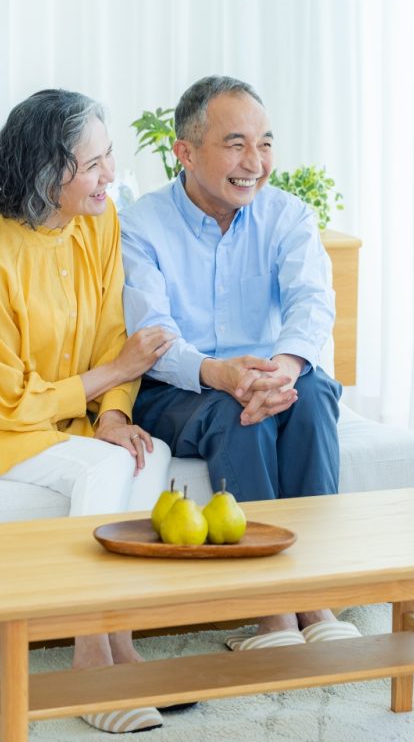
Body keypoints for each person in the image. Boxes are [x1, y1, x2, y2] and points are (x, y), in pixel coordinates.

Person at [0, 89, 177, 735]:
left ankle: (121, 641)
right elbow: (2, 402)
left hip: (62, 416)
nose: (112, 174)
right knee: (99, 473)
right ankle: (85, 658)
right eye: (95, 163)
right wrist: (113, 376)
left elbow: (113, 328)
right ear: (50, 172)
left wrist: (112, 413)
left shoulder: (100, 222)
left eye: (110, 157)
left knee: (147, 451)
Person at [120, 75, 357, 650]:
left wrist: (284, 367)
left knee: (315, 396)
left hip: (266, 375)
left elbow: (311, 300)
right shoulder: (140, 224)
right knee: (234, 413)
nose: (256, 162)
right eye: (235, 144)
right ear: (185, 152)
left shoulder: (288, 215)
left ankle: (315, 593)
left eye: (265, 143)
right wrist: (216, 373)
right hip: (180, 384)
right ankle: (271, 610)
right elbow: (152, 334)